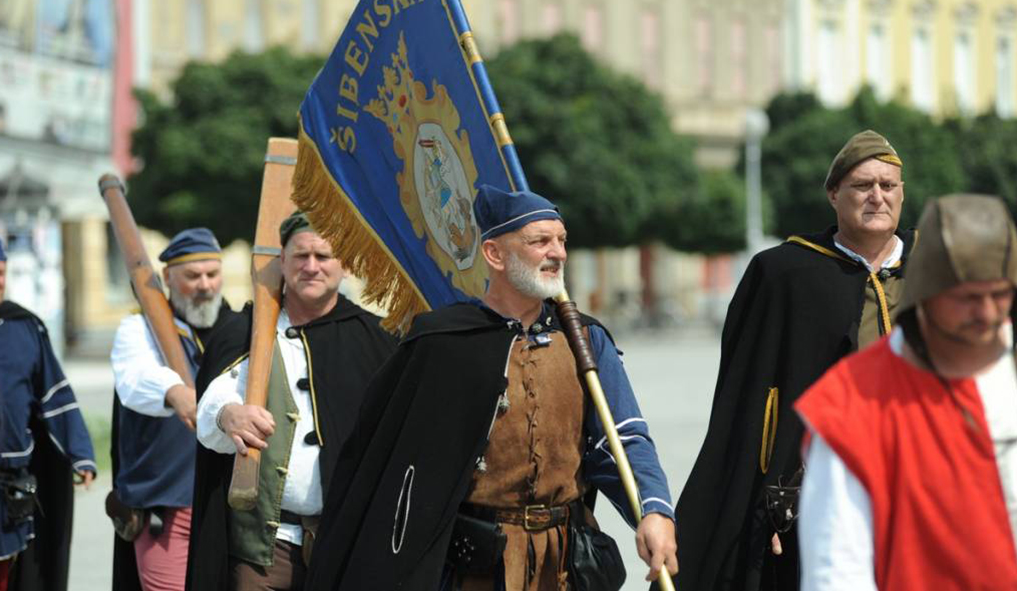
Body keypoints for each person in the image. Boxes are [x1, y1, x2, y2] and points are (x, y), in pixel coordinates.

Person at [303, 185, 678, 591]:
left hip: (565, 563)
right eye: (540, 241)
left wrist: (653, 511)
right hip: (475, 567)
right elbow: (396, 462)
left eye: (561, 240)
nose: (558, 253)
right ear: (495, 254)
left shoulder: (584, 339)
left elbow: (621, 438)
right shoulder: (444, 341)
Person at [674, 130, 914, 591]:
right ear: (833, 194)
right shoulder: (786, 274)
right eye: (863, 185)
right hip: (829, 498)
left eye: (889, 186)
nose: (877, 197)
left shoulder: (933, 271)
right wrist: (768, 499)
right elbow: (748, 401)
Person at [796, 193, 1017, 590]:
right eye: (968, 298)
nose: (987, 314)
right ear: (926, 292)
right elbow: (838, 574)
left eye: (1000, 294)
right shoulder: (853, 403)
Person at [186, 211, 398, 591]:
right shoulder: (245, 330)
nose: (311, 267)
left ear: (345, 265)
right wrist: (228, 415)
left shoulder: (375, 339)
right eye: (301, 256)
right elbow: (214, 403)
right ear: (282, 262)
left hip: (344, 545)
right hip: (265, 552)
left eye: (323, 256)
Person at [108, 227, 233, 591]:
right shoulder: (138, 329)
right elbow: (135, 378)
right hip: (167, 504)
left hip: (227, 502)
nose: (205, 285)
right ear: (168, 278)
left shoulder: (238, 325)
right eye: (193, 276)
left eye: (212, 274)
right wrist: (176, 391)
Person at [0, 235, 96, 591]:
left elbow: (55, 396)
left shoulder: (25, 329)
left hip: (6, 489)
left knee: (7, 578)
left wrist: (80, 452)